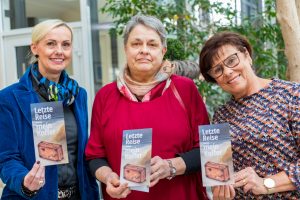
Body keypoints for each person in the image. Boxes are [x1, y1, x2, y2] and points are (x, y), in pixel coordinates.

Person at [85, 14, 210, 200]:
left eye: (152, 44)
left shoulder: (185, 89)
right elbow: (95, 155)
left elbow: (207, 149)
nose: (144, 50)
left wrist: (171, 166)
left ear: (163, 50)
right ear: (125, 49)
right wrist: (108, 177)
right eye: (136, 44)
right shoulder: (105, 96)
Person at [0, 19, 99, 199]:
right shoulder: (8, 98)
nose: (59, 51)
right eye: (51, 44)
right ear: (35, 48)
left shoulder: (78, 95)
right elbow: (6, 159)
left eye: (66, 44)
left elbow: (82, 153)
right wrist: (24, 181)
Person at [199, 31, 300, 199]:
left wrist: (267, 183)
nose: (228, 72)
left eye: (232, 60)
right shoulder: (220, 117)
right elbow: (217, 182)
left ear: (246, 55)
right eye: (218, 69)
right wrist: (220, 194)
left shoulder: (291, 95)